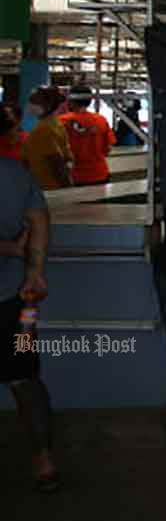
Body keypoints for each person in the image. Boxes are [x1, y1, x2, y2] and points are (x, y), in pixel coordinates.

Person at [1, 154, 57, 490]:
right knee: (26, 377)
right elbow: (40, 220)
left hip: (15, 303)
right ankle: (44, 462)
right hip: (19, 305)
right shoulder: (15, 173)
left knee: (25, 373)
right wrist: (34, 273)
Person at [60, 85, 114, 187]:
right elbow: (108, 149)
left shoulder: (62, 122)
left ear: (71, 100)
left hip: (74, 176)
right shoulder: (101, 120)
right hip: (100, 174)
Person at [21, 86, 72, 191]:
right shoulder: (55, 123)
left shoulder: (43, 129)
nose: (30, 105)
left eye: (34, 102)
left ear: (48, 105)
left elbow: (56, 162)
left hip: (48, 187)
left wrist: (68, 190)